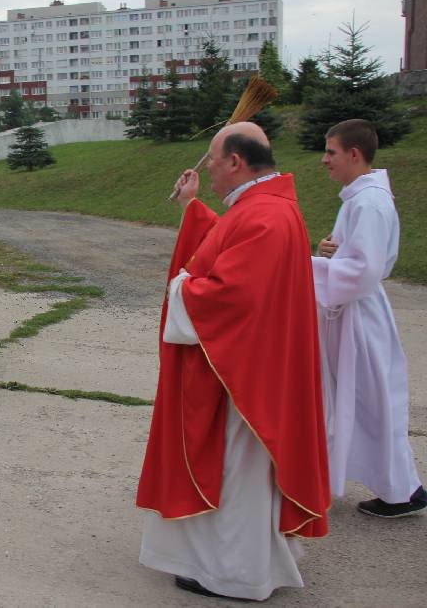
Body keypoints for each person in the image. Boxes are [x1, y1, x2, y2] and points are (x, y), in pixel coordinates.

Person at [136, 122, 331, 601]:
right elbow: (227, 241)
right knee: (241, 474)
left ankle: (238, 576)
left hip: (248, 381)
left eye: (213, 162)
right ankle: (234, 564)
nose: (210, 170)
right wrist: (191, 207)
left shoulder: (265, 217)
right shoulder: (264, 208)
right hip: (255, 368)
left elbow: (233, 295)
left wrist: (183, 287)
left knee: (239, 475)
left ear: (237, 163)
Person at [312, 119, 425, 517]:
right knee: (367, 402)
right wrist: (330, 253)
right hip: (353, 312)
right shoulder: (359, 199)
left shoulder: (369, 202)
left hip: (360, 316)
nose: (325, 160)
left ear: (354, 155)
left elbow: (364, 269)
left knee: (374, 401)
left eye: (331, 152)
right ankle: (400, 488)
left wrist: (308, 268)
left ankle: (404, 490)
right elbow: (354, 257)